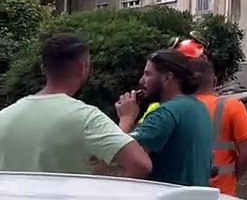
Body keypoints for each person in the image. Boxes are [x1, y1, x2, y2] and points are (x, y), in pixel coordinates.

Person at [0, 33, 151, 177]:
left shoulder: (5, 116)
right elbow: (140, 164)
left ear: (43, 69)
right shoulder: (85, 116)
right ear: (82, 68)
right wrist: (126, 119)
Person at [115, 49, 214, 187]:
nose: (141, 81)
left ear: (168, 78)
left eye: (148, 74)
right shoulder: (199, 107)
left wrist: (126, 118)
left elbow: (126, 157)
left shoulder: (165, 114)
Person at [190, 56, 247, 196]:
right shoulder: (232, 107)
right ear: (214, 81)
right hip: (222, 191)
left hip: (183, 192)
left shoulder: (173, 109)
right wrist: (232, 176)